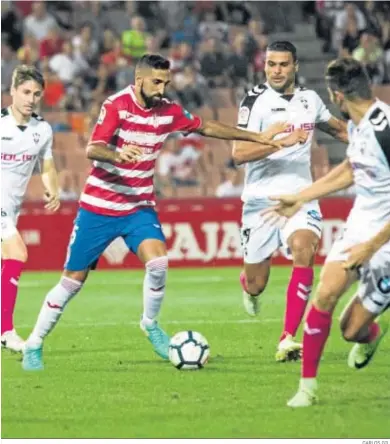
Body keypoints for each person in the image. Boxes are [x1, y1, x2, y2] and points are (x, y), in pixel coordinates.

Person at [21, 53, 307, 371]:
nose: (161, 88)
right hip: (99, 208)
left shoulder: (168, 111)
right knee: (73, 280)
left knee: (158, 262)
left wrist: (258, 136)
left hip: (139, 207)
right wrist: (118, 155)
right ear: (139, 79)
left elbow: (206, 126)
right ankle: (34, 343)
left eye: (166, 82)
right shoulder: (116, 105)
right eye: (156, 82)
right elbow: (93, 148)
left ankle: (150, 324)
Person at [262, 58, 390, 407]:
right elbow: (351, 169)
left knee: (352, 331)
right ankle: (307, 389)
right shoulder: (361, 126)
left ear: (336, 96)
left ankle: (369, 332)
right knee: (324, 295)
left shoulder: (385, 128)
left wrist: (372, 247)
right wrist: (299, 198)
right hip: (361, 226)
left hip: (386, 242)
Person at [235, 41, 349, 362]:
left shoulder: (309, 100)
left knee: (304, 248)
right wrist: (278, 142)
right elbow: (238, 154)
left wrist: (373, 138)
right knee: (257, 283)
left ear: (295, 66)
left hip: (300, 196)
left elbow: (337, 129)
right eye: (271, 64)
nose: (276, 71)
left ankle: (287, 338)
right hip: (260, 202)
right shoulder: (254, 102)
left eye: (283, 64)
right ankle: (248, 286)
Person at [1, 65, 60, 352]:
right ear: (12, 91)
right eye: (25, 92)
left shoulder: (43, 130)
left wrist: (53, 188)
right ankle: (5, 331)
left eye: (36, 94)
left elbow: (46, 165)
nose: (31, 98)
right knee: (17, 253)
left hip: (11, 208)